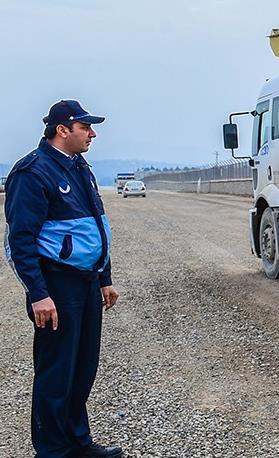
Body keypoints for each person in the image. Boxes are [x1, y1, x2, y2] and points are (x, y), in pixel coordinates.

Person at [3, 100, 123, 458]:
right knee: (56, 371)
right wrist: (39, 293)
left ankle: (78, 443)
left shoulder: (79, 167)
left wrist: (104, 277)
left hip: (87, 283)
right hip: (57, 285)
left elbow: (95, 226)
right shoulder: (33, 172)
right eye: (85, 127)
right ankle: (53, 450)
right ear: (63, 129)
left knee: (83, 368)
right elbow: (20, 242)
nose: (92, 133)